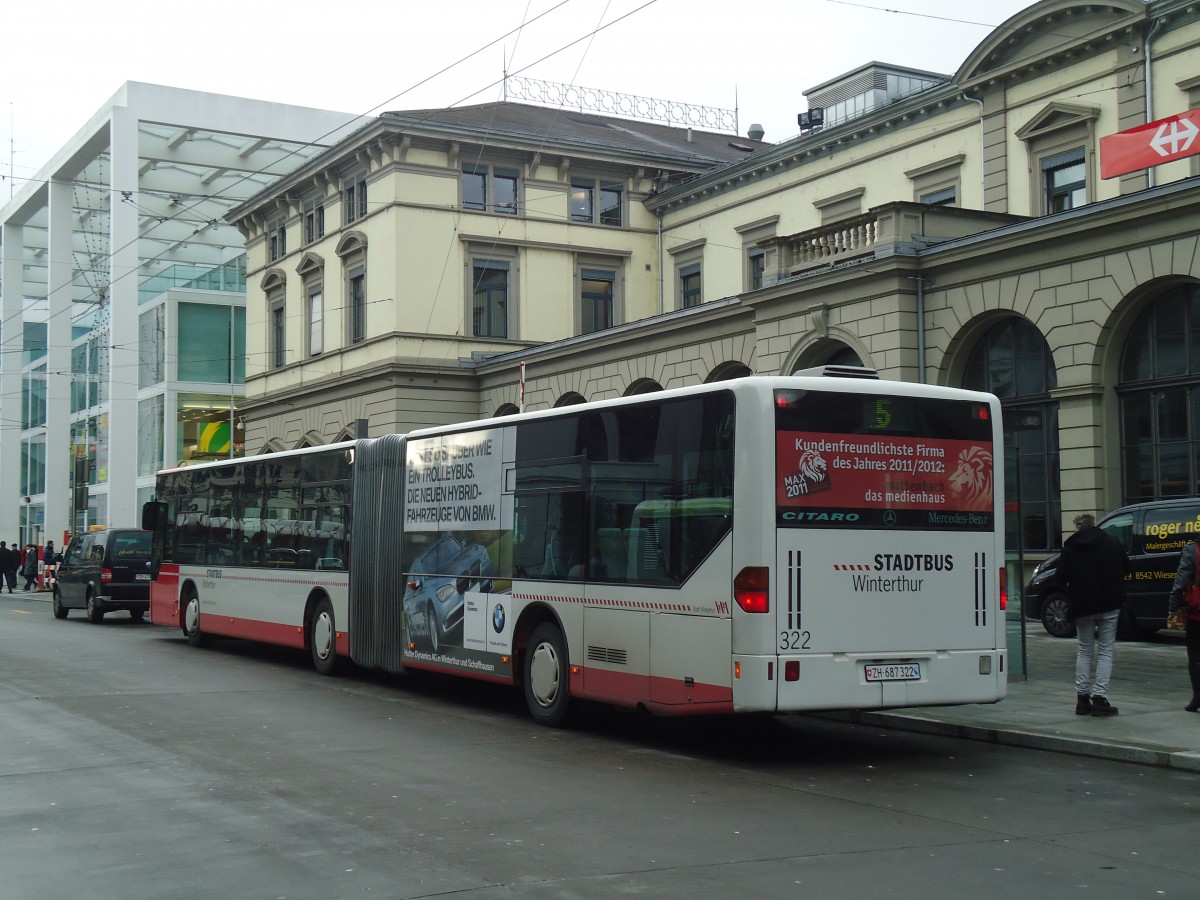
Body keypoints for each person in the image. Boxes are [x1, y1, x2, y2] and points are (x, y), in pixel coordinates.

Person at [1055, 512, 1131, 716]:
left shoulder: (1070, 548)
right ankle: (1099, 698)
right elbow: (1127, 568)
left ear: (1078, 528)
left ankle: (1082, 700)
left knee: (1085, 650)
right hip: (1110, 604)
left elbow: (1060, 578)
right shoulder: (1112, 542)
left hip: (1082, 606)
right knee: (1106, 651)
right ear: (1095, 525)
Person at [1167, 539, 1200, 712]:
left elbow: (1181, 578)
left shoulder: (1192, 548)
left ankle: (1198, 696)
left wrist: (1173, 605)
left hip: (1196, 612)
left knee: (1195, 657)